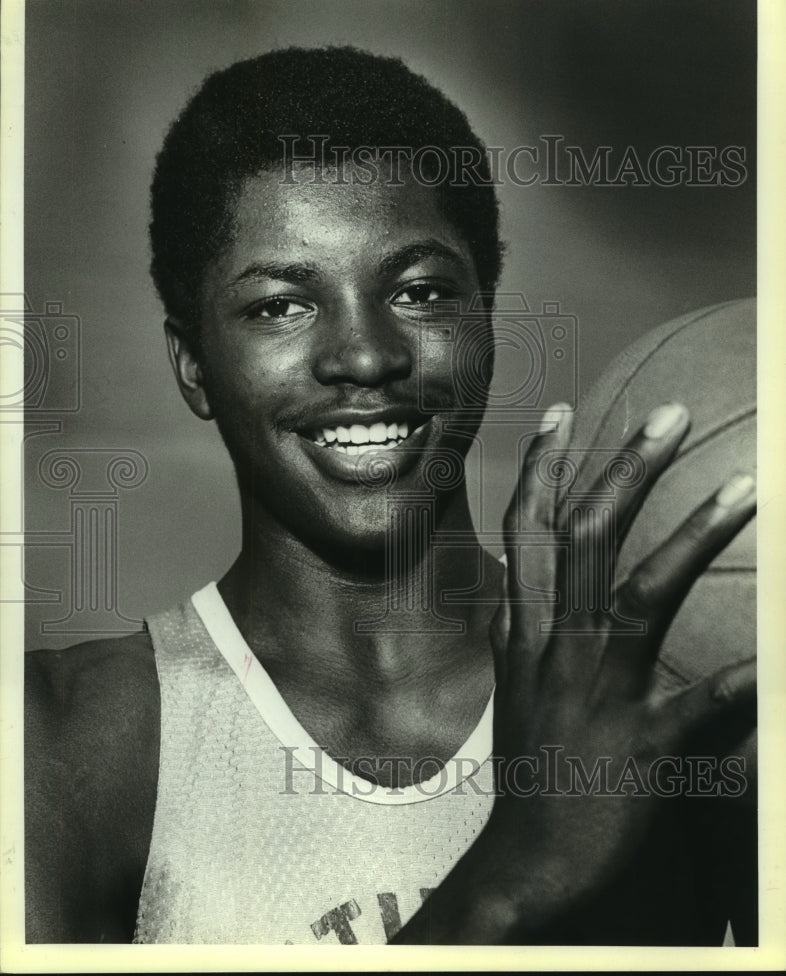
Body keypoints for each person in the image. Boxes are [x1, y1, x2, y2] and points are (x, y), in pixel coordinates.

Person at [24, 46, 757, 946]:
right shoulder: (67, 742)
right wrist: (515, 873)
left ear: (484, 315)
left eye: (418, 291)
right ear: (193, 364)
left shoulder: (669, 693)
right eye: (280, 307)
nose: (365, 357)